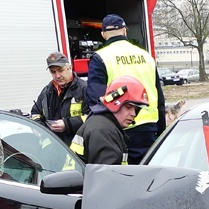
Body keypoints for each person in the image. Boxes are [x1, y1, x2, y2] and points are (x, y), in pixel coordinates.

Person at [84, 14, 165, 164]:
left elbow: (96, 100)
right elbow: (159, 98)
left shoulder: (101, 57)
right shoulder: (146, 56)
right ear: (125, 31)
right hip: (149, 130)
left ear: (103, 35)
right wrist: (162, 134)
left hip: (120, 129)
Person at [71, 76, 149, 165]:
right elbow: (108, 176)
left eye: (136, 109)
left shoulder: (103, 125)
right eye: (129, 107)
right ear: (114, 103)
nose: (133, 114)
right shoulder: (103, 131)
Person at [30, 51, 87, 147]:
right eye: (53, 72)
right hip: (53, 148)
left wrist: (67, 124)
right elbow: (35, 113)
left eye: (60, 70)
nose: (57, 76)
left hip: (76, 150)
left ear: (69, 68)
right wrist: (42, 129)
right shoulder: (47, 91)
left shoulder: (84, 89)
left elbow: (92, 118)